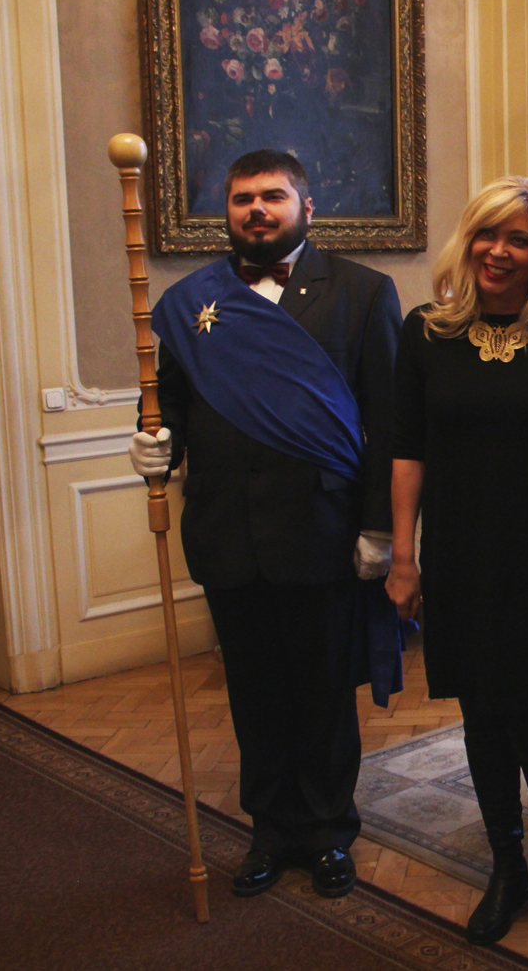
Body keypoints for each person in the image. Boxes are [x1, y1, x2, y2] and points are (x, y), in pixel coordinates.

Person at [127, 149, 404, 900]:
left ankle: (328, 832)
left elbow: (388, 421)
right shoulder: (193, 302)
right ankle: (271, 831)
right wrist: (155, 442)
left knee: (321, 692)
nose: (257, 209)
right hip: (226, 531)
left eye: (273, 196)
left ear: (306, 208)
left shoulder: (362, 292)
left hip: (321, 528)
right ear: (227, 211)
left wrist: (379, 527)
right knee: (253, 693)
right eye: (243, 197)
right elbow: (171, 401)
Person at [385, 176, 528, 948]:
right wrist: (403, 556)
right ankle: (507, 866)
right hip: (460, 555)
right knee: (483, 717)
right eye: (487, 233)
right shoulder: (427, 333)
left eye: (517, 238)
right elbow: (408, 452)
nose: (498, 250)